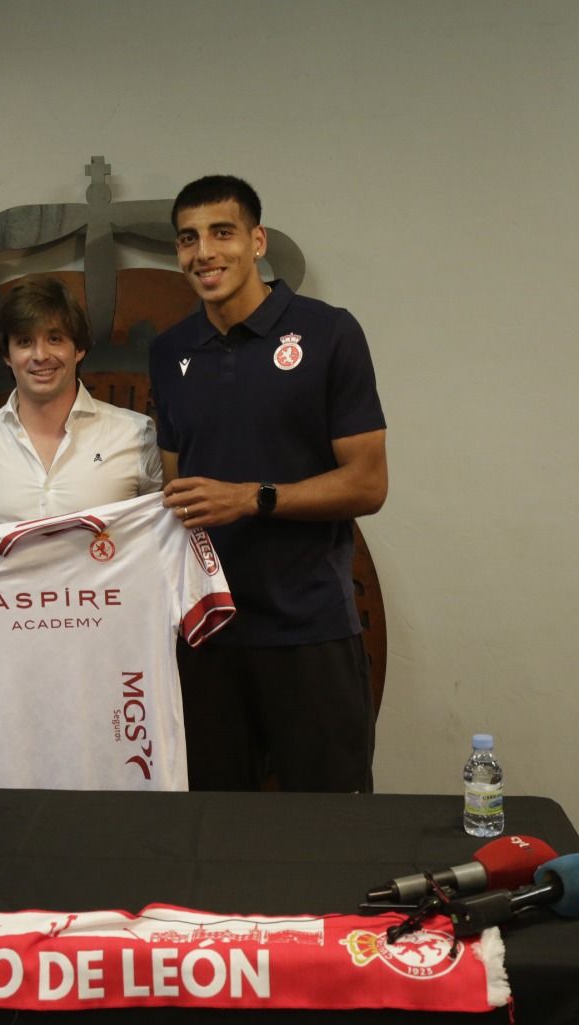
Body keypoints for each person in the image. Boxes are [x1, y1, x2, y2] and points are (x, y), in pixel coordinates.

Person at [148, 174, 388, 793]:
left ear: (257, 241)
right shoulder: (170, 350)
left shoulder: (329, 332)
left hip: (307, 629)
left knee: (329, 828)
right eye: (188, 239)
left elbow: (369, 484)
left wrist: (252, 498)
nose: (204, 253)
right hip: (207, 636)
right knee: (214, 835)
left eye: (222, 233)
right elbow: (178, 493)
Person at [0, 274, 161, 530]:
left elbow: (163, 537)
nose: (40, 355)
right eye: (24, 342)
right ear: (6, 355)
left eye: (54, 339)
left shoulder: (136, 435)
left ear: (79, 349)